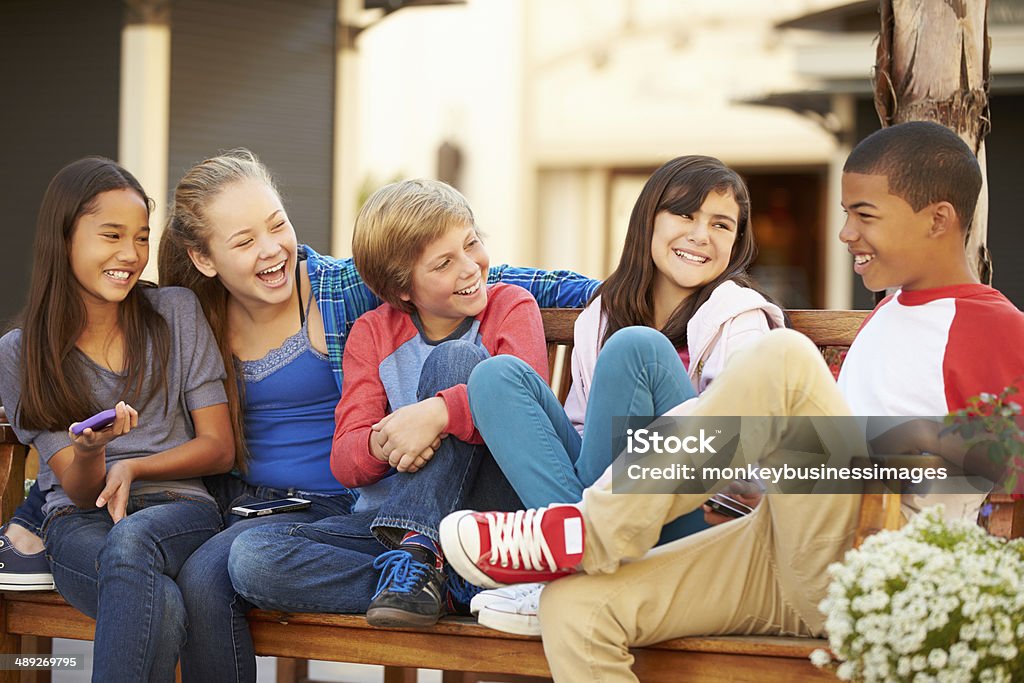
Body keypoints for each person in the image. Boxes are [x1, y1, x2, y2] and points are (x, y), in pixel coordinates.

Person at [438, 121, 1024, 682]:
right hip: (784, 544)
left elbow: (1005, 463)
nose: (846, 233)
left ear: (938, 220)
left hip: (874, 557)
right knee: (575, 606)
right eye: (847, 215)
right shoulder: (892, 311)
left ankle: (587, 532)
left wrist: (862, 454)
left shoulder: (992, 327)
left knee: (786, 358)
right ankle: (579, 540)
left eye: (863, 215)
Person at [0, 150, 598, 681]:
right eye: (242, 241)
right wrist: (35, 505)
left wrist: (623, 287)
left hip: (374, 502)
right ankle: (447, 576)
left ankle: (428, 568)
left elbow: (463, 271)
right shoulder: (190, 315)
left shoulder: (343, 291)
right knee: (219, 573)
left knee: (456, 363)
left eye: (278, 224)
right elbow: (76, 404)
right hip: (261, 509)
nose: (270, 249)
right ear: (204, 260)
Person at [464, 155, 785, 634]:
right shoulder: (602, 313)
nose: (701, 235)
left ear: (737, 242)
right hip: (607, 512)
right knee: (494, 378)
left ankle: (564, 568)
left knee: (637, 349)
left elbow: (737, 448)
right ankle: (576, 565)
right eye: (685, 214)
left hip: (695, 516)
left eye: (721, 225)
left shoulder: (739, 315)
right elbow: (583, 435)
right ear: (649, 219)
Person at [226, 178, 549, 629]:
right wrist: (387, 442)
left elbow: (522, 402)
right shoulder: (373, 333)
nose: (470, 267)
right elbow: (345, 460)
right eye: (444, 263)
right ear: (403, 290)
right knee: (252, 558)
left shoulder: (510, 306)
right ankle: (441, 586)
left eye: (472, 243)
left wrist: (436, 415)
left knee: (456, 360)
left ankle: (422, 558)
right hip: (385, 525)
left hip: (487, 525)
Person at [0, 157, 234, 682]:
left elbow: (219, 446)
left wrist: (135, 469)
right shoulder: (20, 354)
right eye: (112, 235)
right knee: (164, 605)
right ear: (64, 239)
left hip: (181, 510)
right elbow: (81, 494)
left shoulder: (175, 312)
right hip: (79, 524)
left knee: (133, 544)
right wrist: (90, 452)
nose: (130, 255)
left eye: (142, 238)